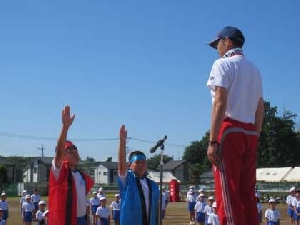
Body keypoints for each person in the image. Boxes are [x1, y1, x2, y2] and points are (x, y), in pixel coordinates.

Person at [206, 26, 264, 225]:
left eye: (218, 44)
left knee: (227, 191)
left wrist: (213, 140)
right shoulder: (254, 69)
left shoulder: (222, 64)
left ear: (227, 41)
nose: (217, 49)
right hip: (250, 131)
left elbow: (220, 103)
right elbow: (260, 107)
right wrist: (255, 135)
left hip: (230, 129)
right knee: (247, 191)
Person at [48, 105, 94, 225]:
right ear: (63, 156)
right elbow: (58, 152)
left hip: (81, 219)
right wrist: (65, 128)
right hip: (65, 220)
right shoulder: (59, 172)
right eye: (70, 152)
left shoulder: (82, 176)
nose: (75, 154)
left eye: (76, 151)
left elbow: (82, 201)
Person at [118, 125, 159, 225]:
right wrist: (122, 142)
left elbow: (155, 208)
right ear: (130, 165)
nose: (141, 164)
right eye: (137, 162)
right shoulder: (128, 181)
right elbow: (121, 167)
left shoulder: (153, 185)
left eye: (143, 162)